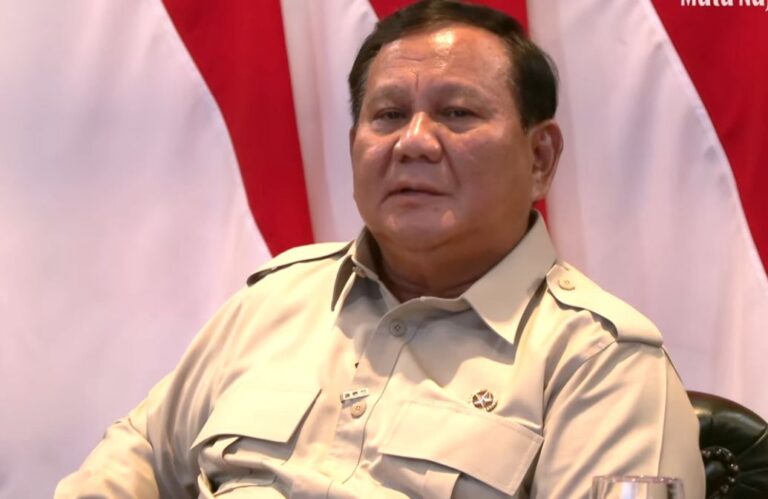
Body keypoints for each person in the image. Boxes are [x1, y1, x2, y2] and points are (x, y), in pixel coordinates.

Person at [56, 1, 705, 497]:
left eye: (457, 113)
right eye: (388, 115)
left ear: (539, 158)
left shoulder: (602, 365)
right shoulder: (276, 300)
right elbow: (137, 455)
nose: (413, 141)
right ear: (355, 147)